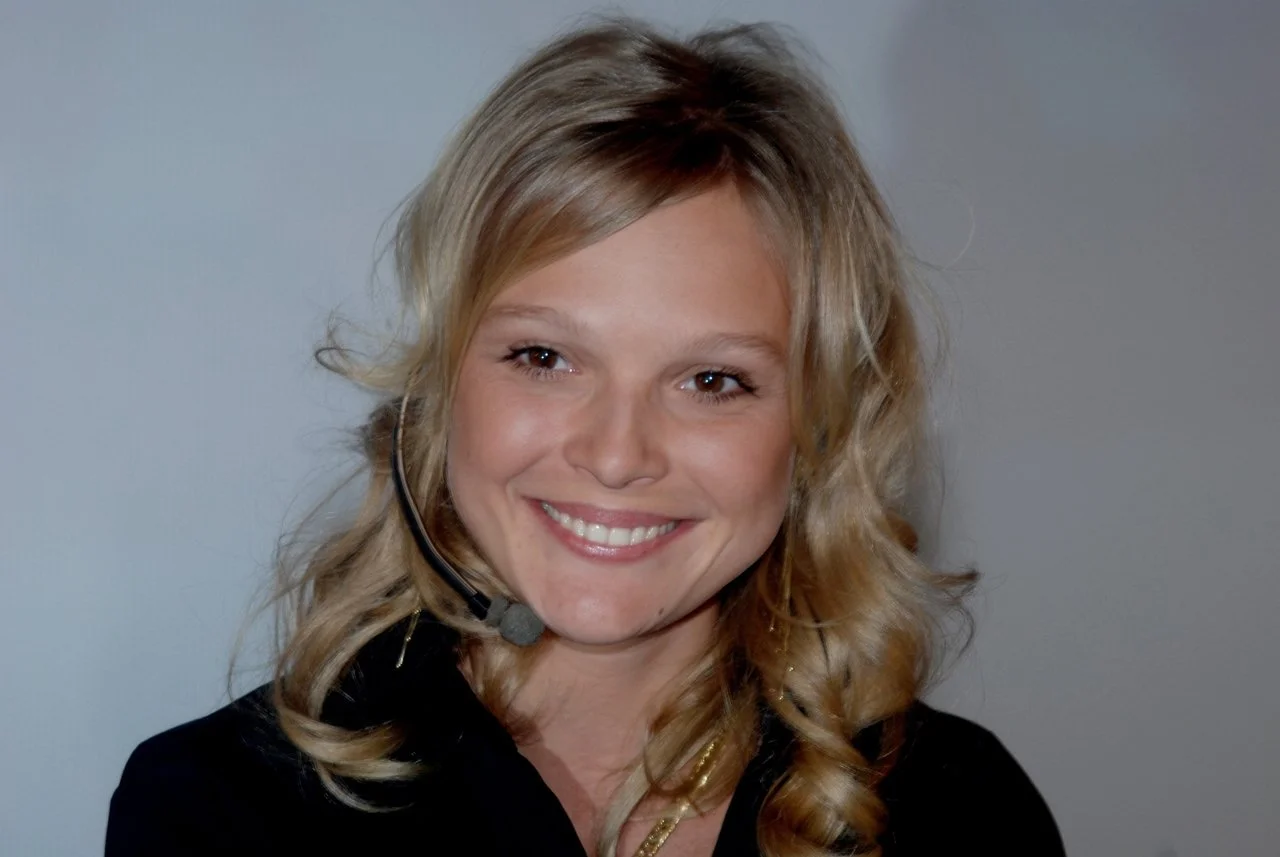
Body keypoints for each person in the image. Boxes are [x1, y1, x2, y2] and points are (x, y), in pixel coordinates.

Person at [106, 17, 1065, 857]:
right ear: (440, 387)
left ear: (815, 427)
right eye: (545, 357)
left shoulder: (960, 811)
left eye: (712, 380)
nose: (616, 454)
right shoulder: (220, 808)